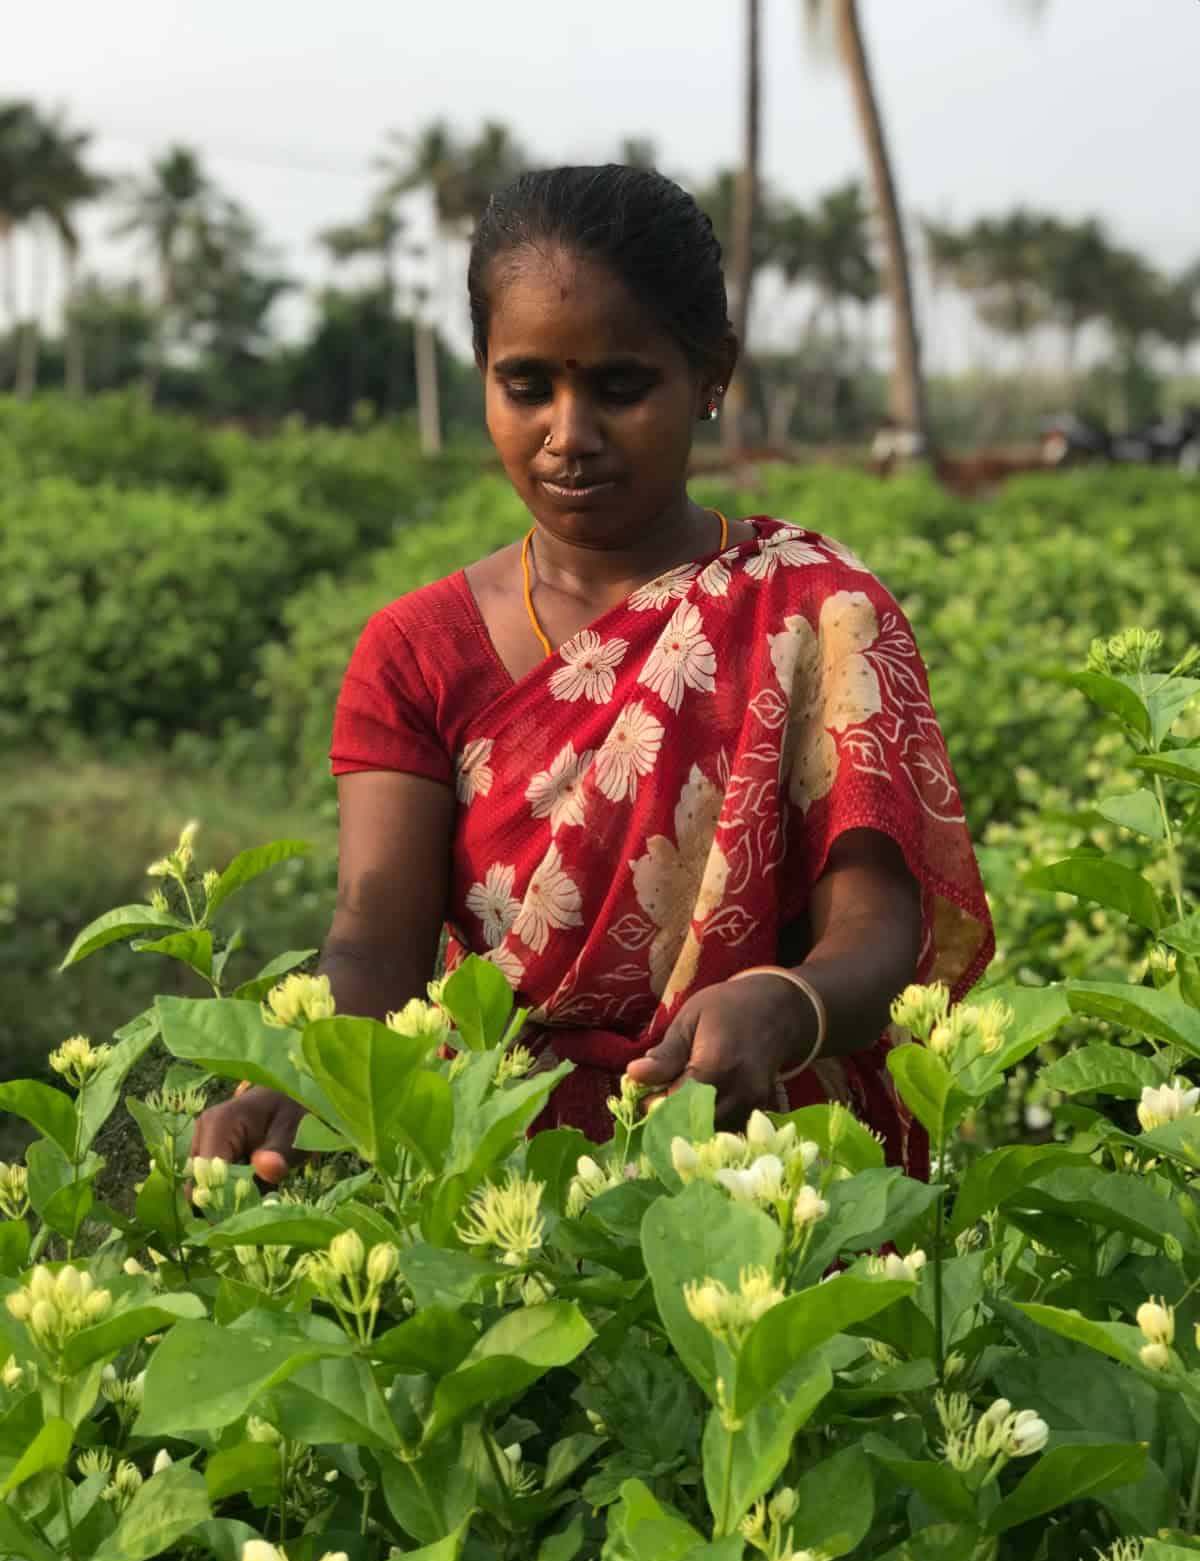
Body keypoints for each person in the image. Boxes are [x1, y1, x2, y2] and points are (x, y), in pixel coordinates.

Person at [192, 164, 993, 1184]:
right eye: (527, 385)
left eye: (621, 387)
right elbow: (374, 946)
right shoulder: (417, 650)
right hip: (498, 1173)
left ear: (712, 375)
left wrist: (787, 1005)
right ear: (482, 371)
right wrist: (298, 1071)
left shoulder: (817, 611)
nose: (569, 435)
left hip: (761, 1164)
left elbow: (879, 932)